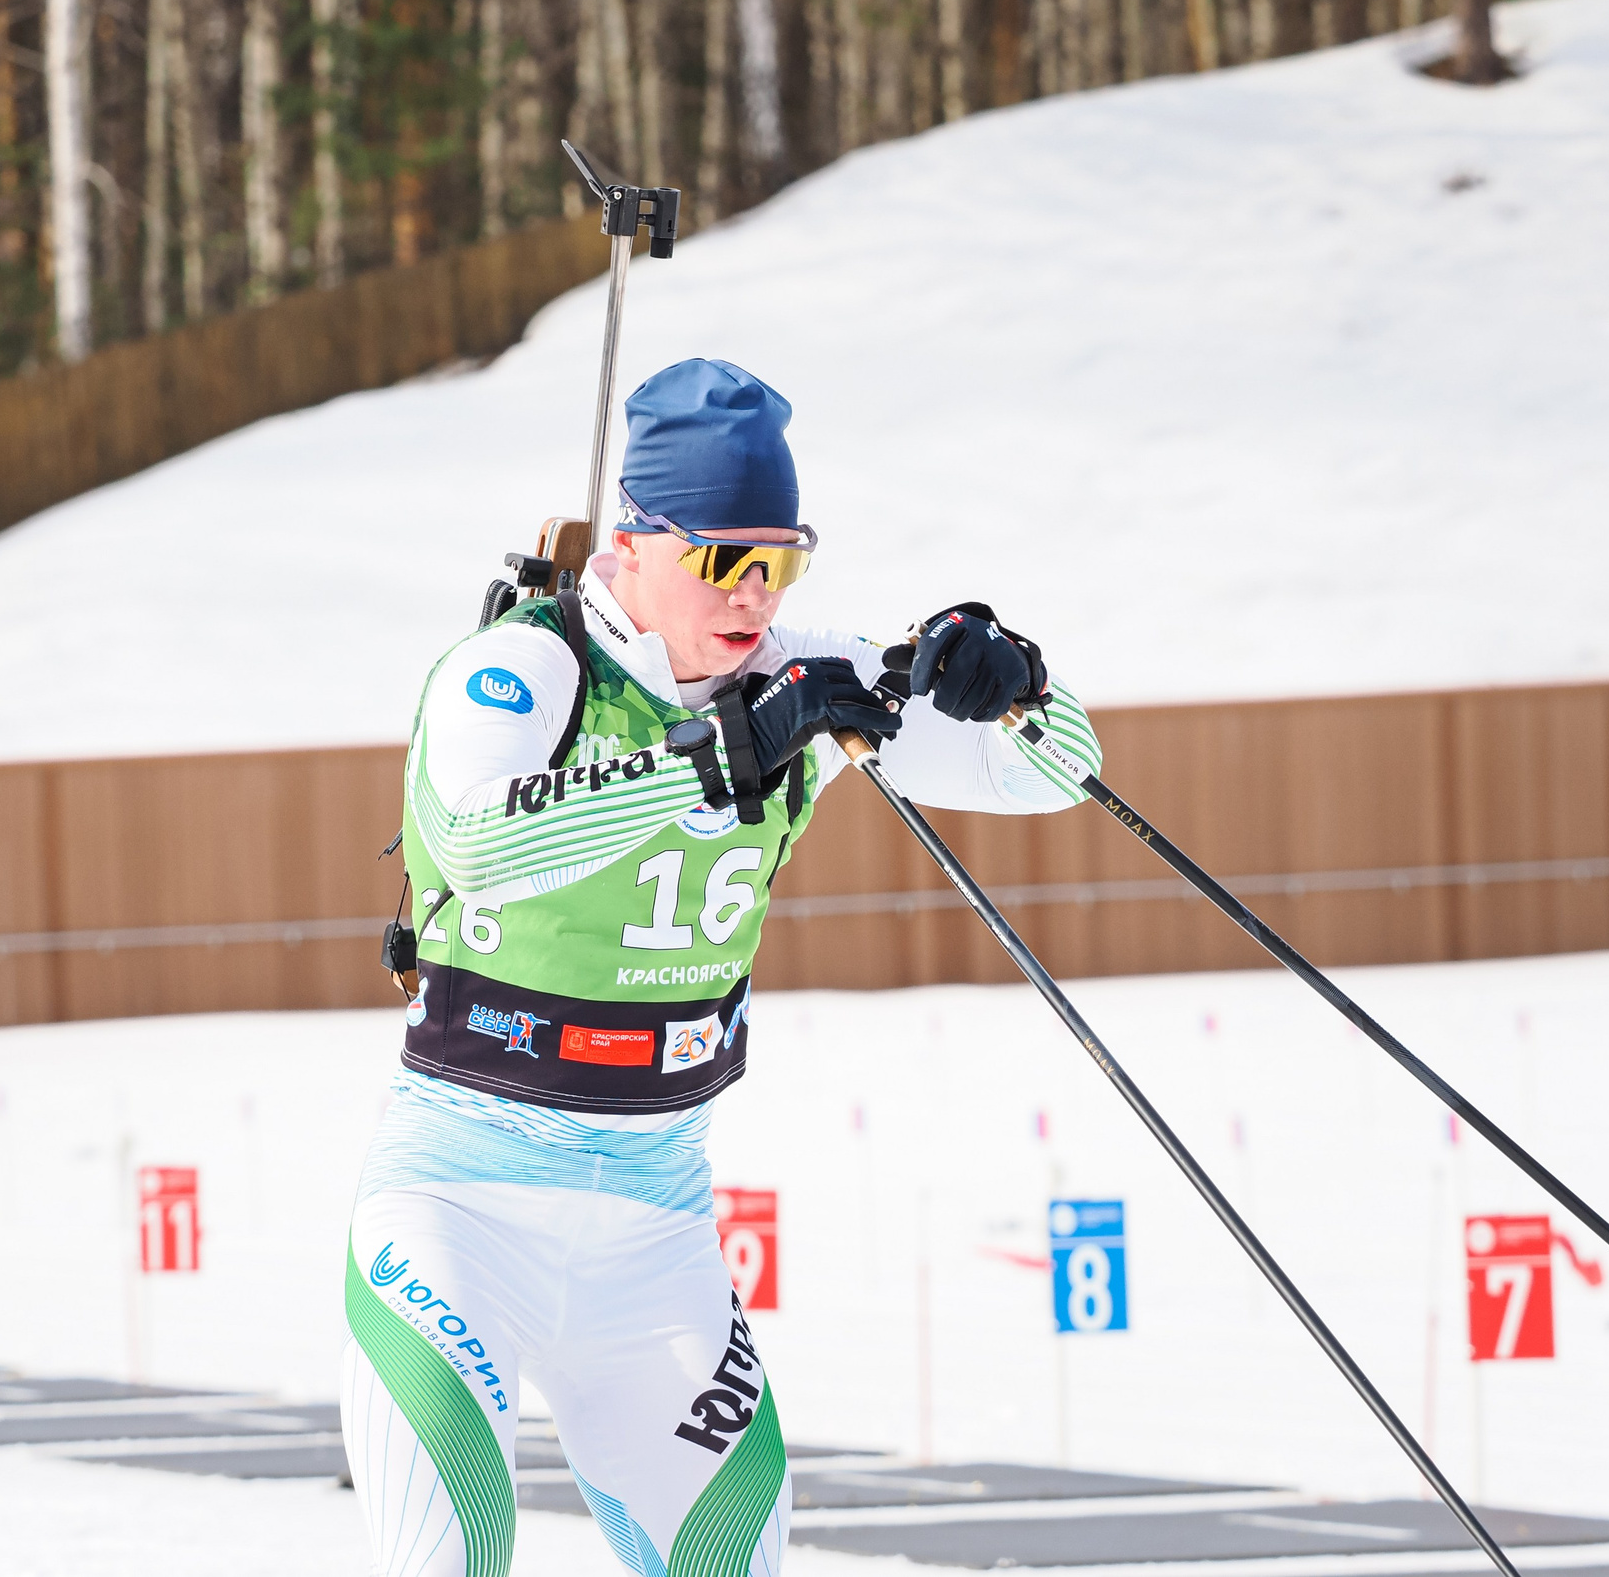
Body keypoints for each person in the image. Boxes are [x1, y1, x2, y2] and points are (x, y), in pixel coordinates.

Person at [343, 358, 1104, 1577]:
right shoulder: (529, 668)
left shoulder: (798, 671)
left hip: (652, 1227)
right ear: (636, 543)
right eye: (720, 561)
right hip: (459, 1206)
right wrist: (711, 757)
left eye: (780, 561)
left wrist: (1017, 686)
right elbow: (479, 844)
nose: (753, 594)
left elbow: (1055, 775)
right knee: (453, 1555)